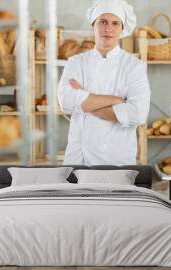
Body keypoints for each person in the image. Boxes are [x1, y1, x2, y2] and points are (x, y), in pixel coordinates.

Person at [58, 0, 151, 165]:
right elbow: (65, 102)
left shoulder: (134, 66)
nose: (109, 28)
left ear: (122, 29)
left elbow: (138, 113)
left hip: (118, 159)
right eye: (103, 22)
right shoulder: (76, 62)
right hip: (79, 158)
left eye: (115, 23)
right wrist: (116, 101)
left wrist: (85, 102)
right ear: (93, 25)